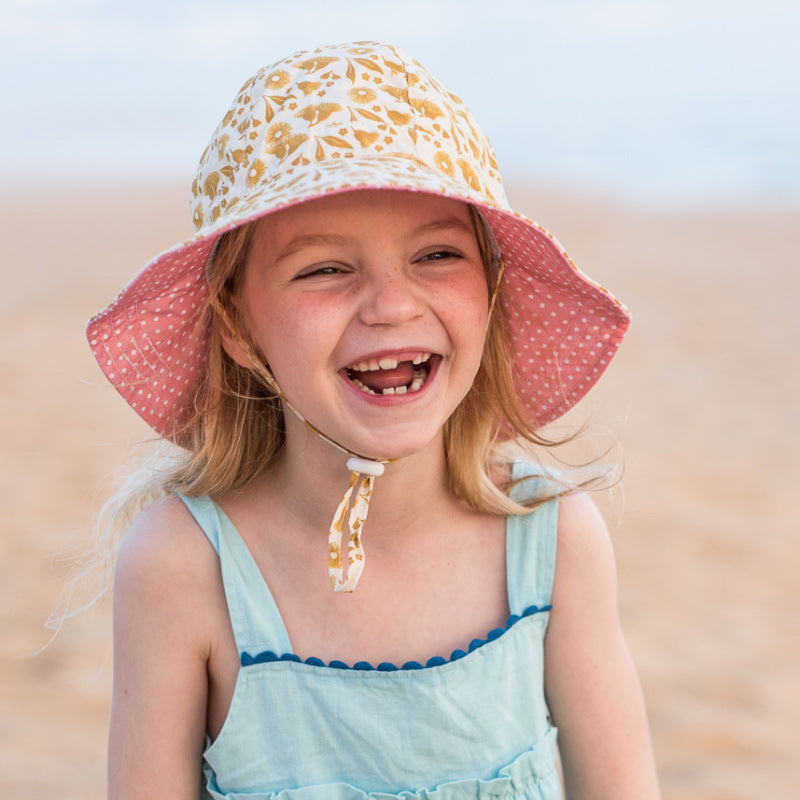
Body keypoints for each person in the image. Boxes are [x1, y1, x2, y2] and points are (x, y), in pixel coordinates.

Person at [88, 41, 660, 799]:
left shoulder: (551, 539)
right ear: (237, 324)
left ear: (489, 290)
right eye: (325, 268)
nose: (392, 305)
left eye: (437, 255)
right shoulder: (183, 568)